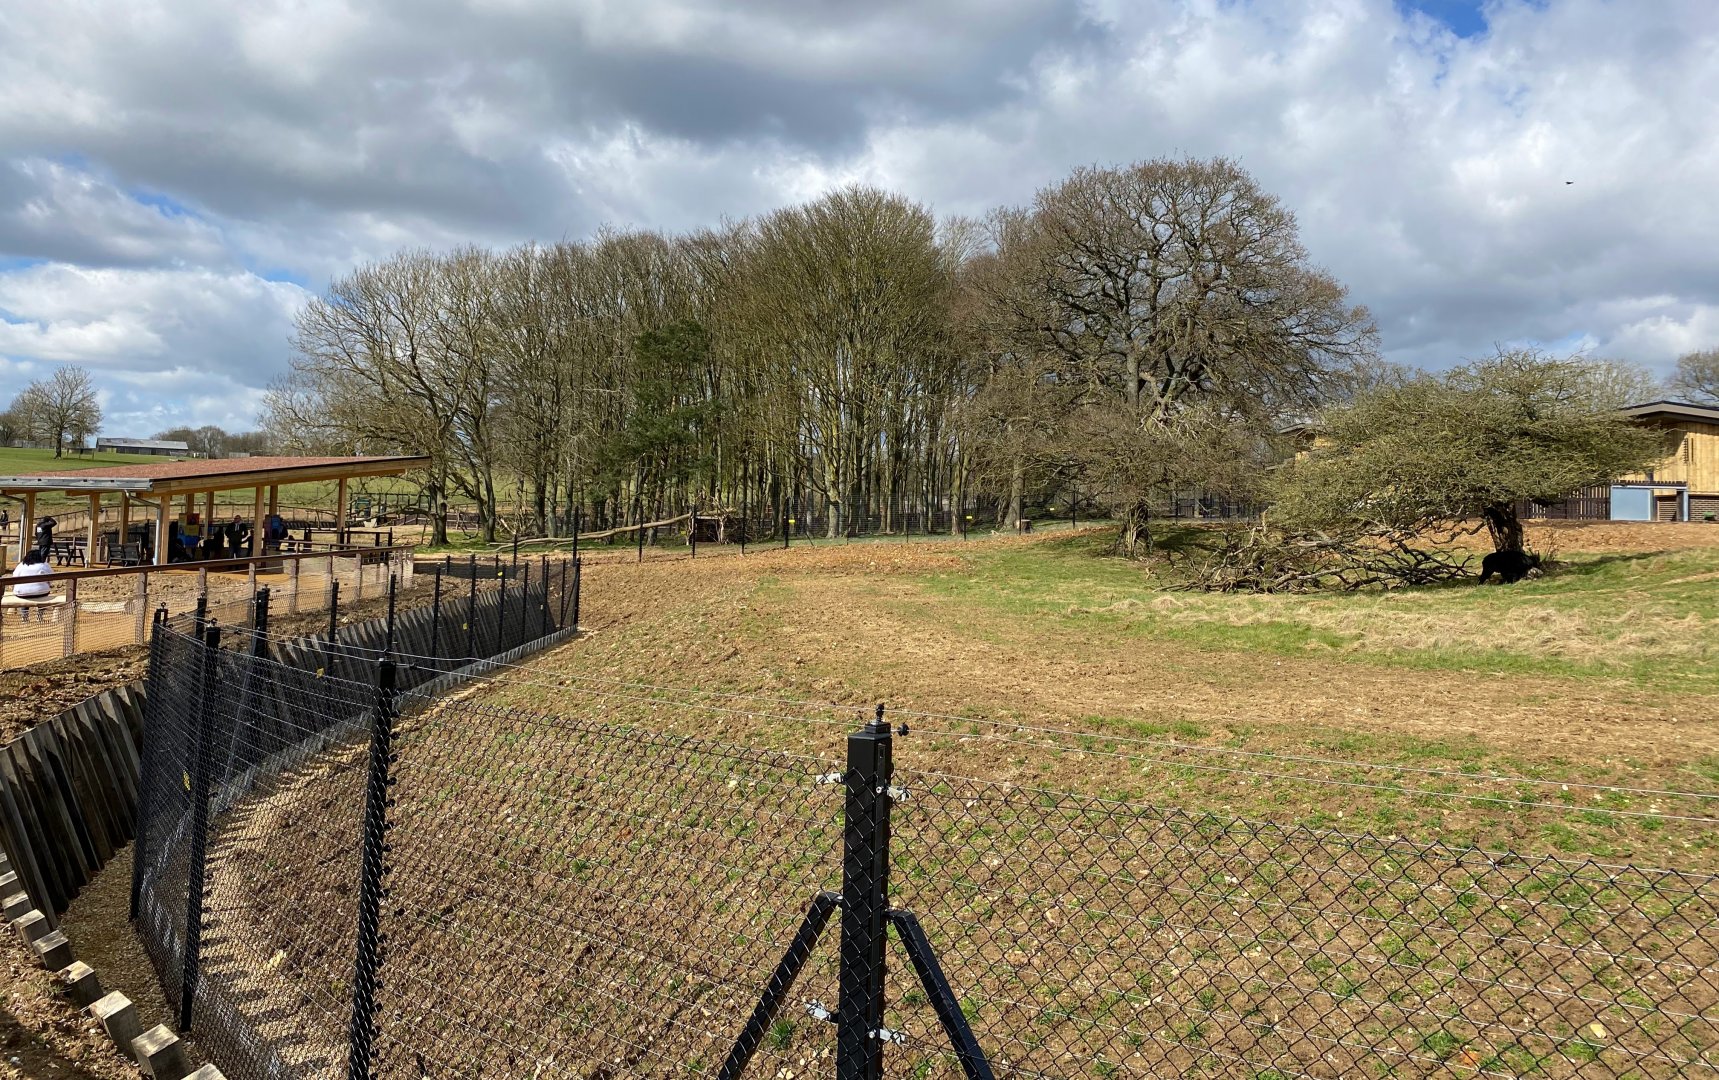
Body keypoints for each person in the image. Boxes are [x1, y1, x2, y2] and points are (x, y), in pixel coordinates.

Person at [7, 549, 54, 621]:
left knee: (25, 595)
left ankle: (24, 616)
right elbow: (51, 578)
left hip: (21, 593)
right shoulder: (44, 565)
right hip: (41, 592)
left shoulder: (21, 565)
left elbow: (14, 577)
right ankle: (39, 616)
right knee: (43, 593)